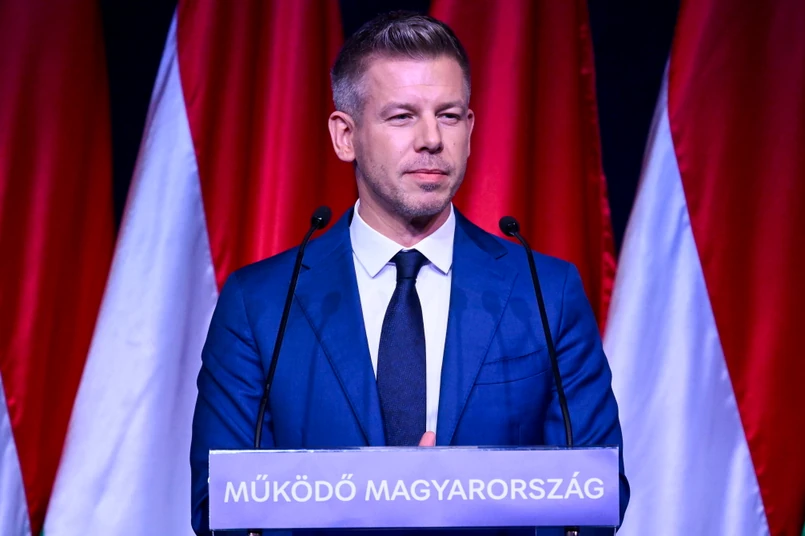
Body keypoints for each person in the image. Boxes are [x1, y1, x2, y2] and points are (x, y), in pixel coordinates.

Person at [190, 11, 629, 536]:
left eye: (449, 115)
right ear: (345, 136)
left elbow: (595, 495)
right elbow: (220, 506)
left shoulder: (545, 292)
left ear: (470, 129)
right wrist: (398, 495)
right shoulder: (260, 304)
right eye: (401, 116)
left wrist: (451, 494)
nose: (431, 139)